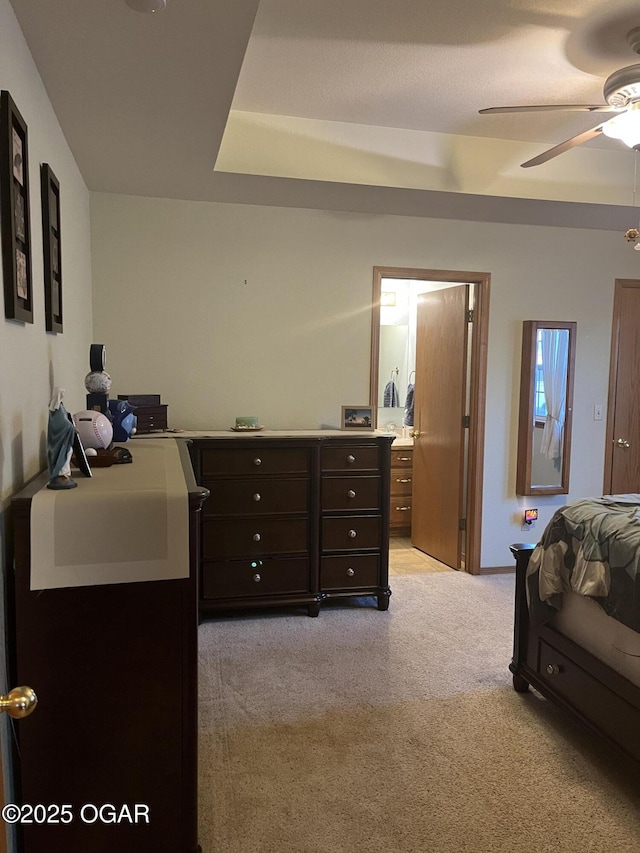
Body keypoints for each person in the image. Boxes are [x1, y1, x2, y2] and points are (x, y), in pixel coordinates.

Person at [47, 387, 77, 489]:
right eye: (62, 394)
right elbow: (59, 424)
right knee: (63, 455)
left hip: (64, 439)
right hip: (59, 440)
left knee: (68, 453)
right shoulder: (56, 409)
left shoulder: (60, 406)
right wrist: (71, 427)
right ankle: (61, 473)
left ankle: (65, 473)